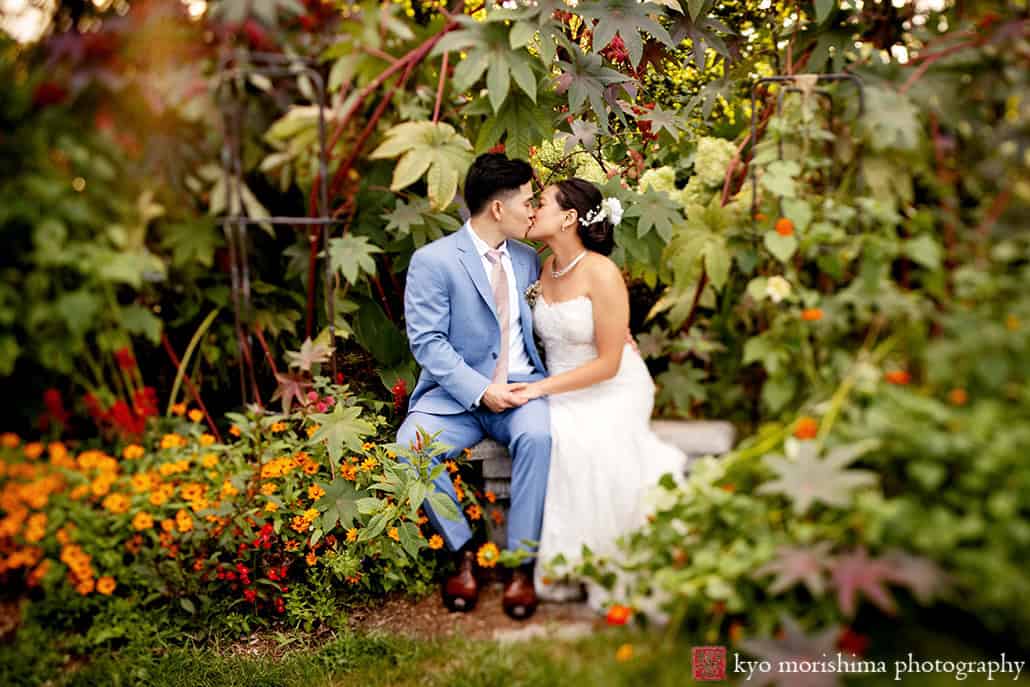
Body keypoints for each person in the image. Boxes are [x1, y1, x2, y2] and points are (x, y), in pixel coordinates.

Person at [510, 177, 689, 612]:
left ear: (569, 217)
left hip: (611, 386)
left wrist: (538, 388)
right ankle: (568, 564)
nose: (532, 209)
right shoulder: (538, 266)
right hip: (560, 382)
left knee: (580, 442)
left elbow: (609, 362)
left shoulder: (603, 273)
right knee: (550, 433)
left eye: (543, 203)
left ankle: (599, 563)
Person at [396, 153, 551, 620]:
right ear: (498, 208)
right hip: (457, 398)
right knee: (411, 447)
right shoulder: (433, 261)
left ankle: (521, 564)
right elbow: (428, 342)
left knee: (540, 436)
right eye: (528, 200)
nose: (533, 210)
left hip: (522, 389)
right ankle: (462, 552)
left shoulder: (527, 259)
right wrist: (481, 391)